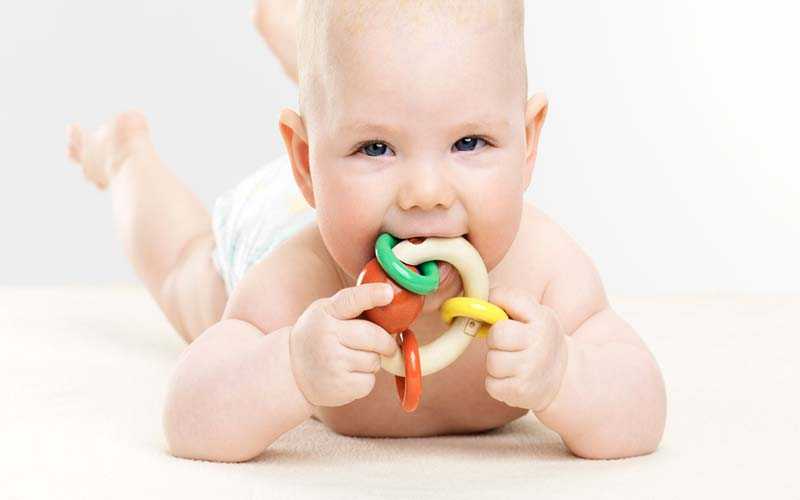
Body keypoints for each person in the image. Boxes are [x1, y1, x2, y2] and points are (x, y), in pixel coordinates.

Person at [66, 0, 666, 463]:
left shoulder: (547, 275)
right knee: (187, 275)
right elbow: (187, 414)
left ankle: (311, 53)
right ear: (305, 162)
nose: (425, 191)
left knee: (371, 74)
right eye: (375, 146)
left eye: (470, 142)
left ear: (528, 143)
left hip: (345, 162)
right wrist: (291, 367)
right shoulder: (298, 284)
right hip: (279, 218)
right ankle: (124, 159)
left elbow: (643, 403)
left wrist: (568, 375)